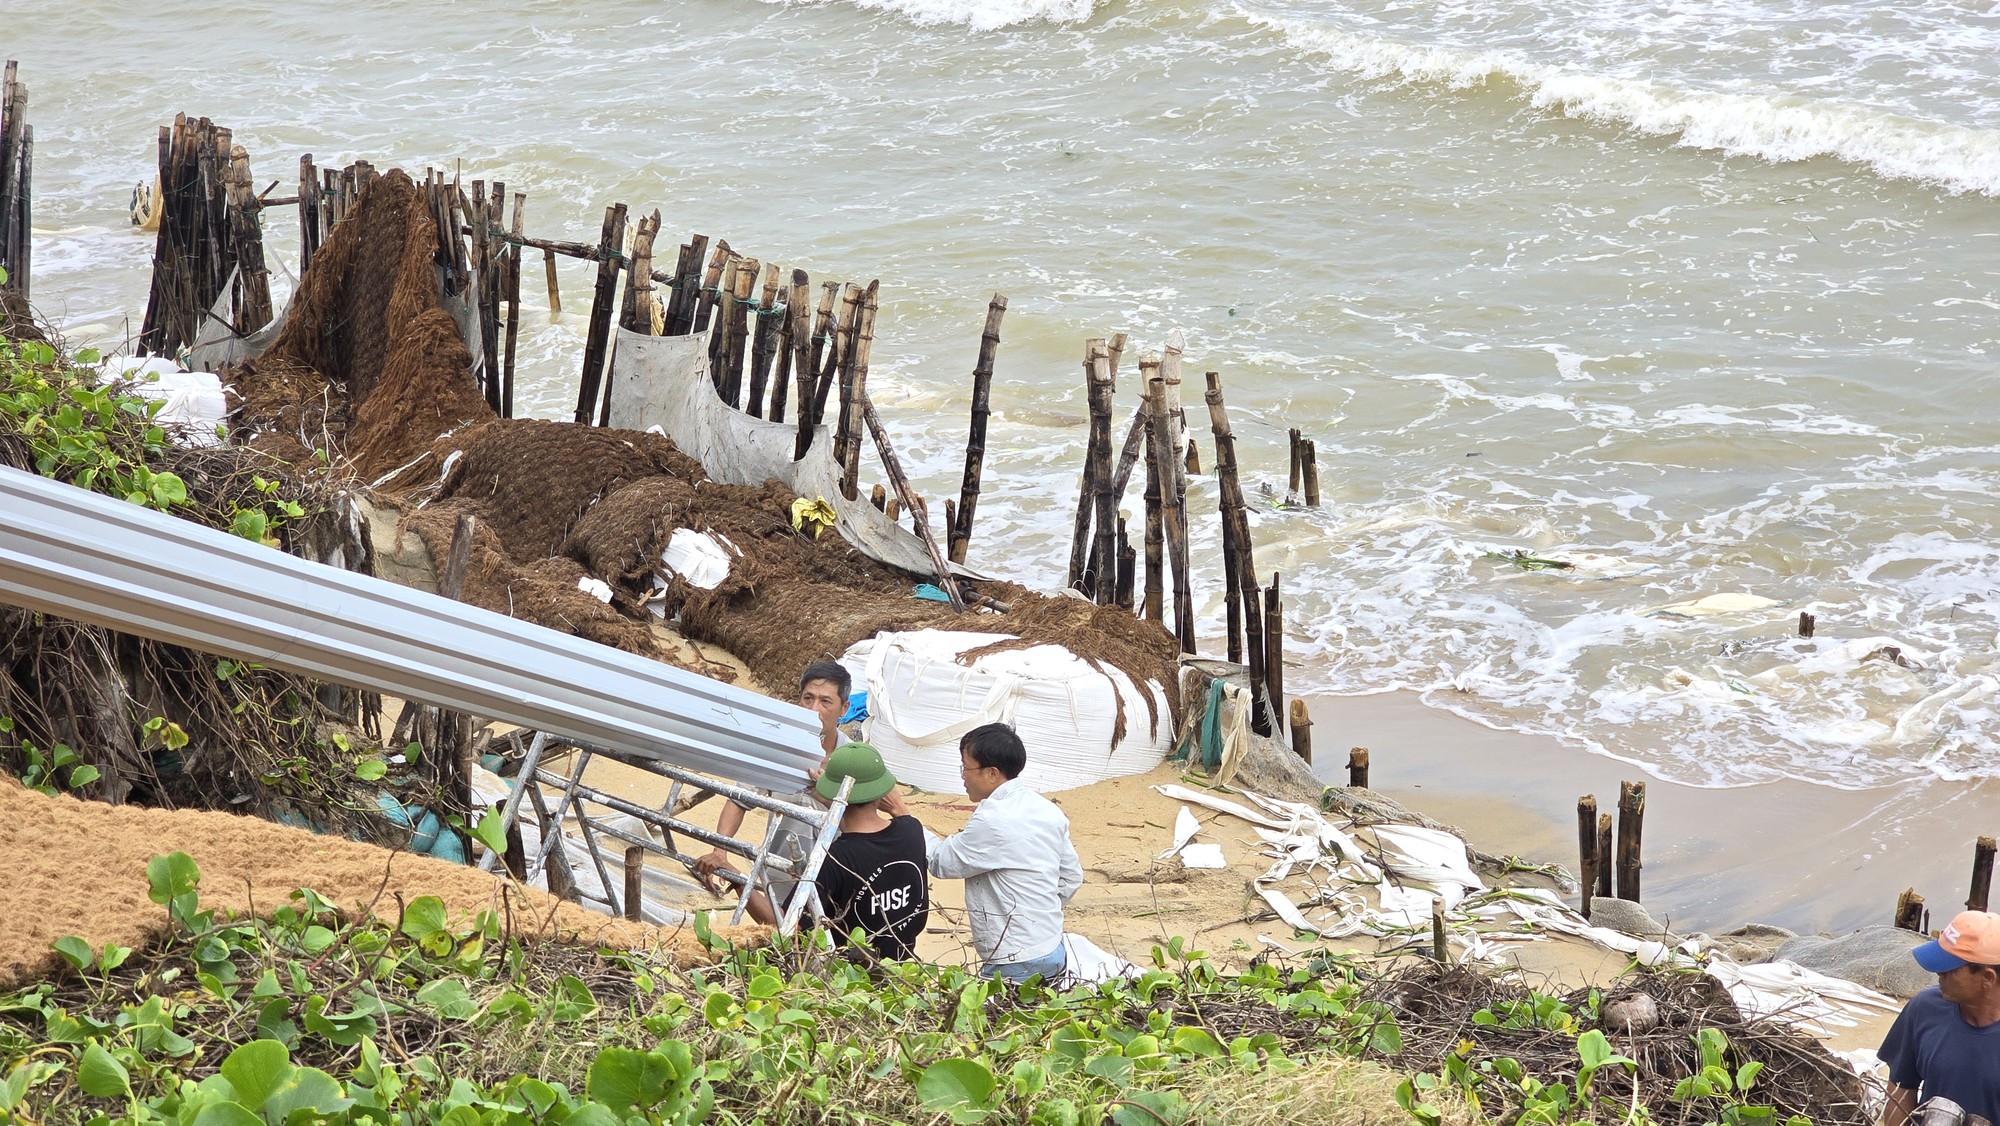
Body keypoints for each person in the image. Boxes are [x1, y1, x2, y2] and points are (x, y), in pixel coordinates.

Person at [888, 722, 1083, 983]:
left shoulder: (993, 819)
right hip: (1052, 948)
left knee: (997, 1023)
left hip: (1015, 959)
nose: (962, 776)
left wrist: (902, 815)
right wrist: (1038, 916)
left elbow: (941, 861)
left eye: (965, 768)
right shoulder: (1045, 809)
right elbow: (1071, 877)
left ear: (992, 773)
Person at [708, 742, 930, 960]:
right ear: (882, 793)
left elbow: (784, 927)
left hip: (849, 973)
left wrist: (739, 880)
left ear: (835, 796)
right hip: (903, 964)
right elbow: (900, 813)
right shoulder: (911, 831)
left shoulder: (833, 859)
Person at [693, 660, 849, 896]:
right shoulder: (780, 749)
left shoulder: (852, 760)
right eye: (808, 698)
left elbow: (862, 824)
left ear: (844, 708)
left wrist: (825, 796)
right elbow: (739, 800)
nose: (813, 709)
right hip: (778, 878)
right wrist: (720, 851)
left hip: (833, 880)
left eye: (825, 701)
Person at [1879, 909, 2000, 1126]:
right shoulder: (1924, 1009)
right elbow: (1900, 1089)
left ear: (1987, 978)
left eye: (1948, 970)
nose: (1938, 974)